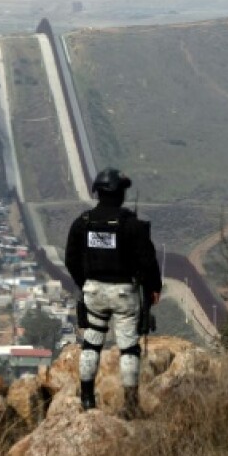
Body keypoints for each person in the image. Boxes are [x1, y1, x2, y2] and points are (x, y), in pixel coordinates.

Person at [64, 168, 162, 417]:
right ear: (120, 193)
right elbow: (147, 261)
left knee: (92, 342)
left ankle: (87, 399)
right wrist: (153, 288)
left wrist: (83, 283)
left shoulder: (83, 223)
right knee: (129, 348)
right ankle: (130, 405)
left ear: (98, 193)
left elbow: (70, 259)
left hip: (93, 291)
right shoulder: (131, 225)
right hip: (123, 293)